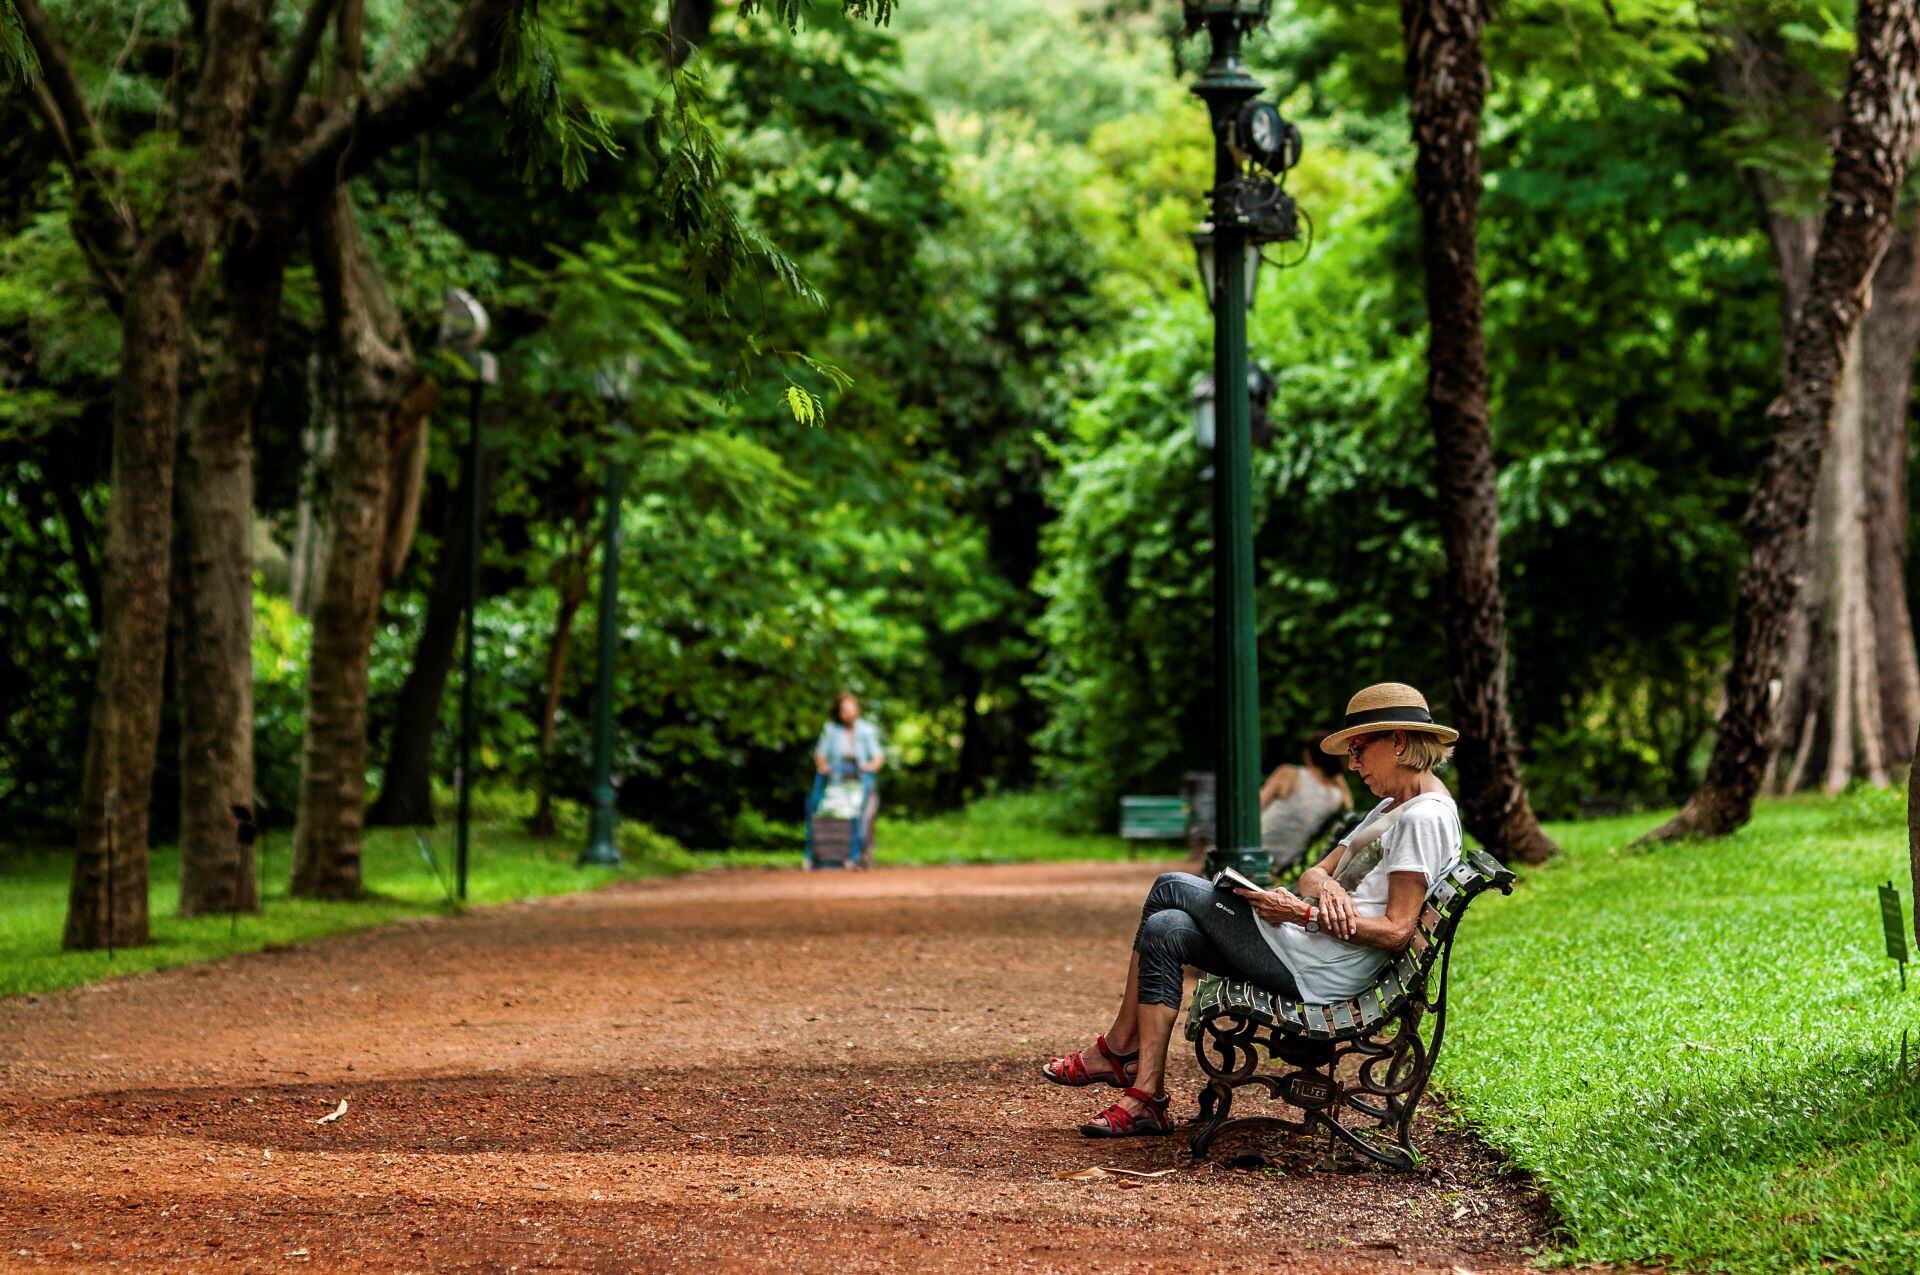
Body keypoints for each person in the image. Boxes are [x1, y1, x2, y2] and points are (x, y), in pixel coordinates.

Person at [1040, 682, 1463, 1138]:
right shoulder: (1392, 806)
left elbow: (1398, 930)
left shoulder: (1424, 818)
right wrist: (1326, 891)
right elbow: (1314, 874)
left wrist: (1306, 915)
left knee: (1171, 887)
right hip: (1305, 948)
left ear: (1398, 742)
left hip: (1319, 967)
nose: (1352, 763)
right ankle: (1147, 1097)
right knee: (1165, 928)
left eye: (1359, 748)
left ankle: (1119, 1048)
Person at [814, 692, 884, 862]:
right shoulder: (831, 730)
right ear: (839, 713)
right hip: (838, 782)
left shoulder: (866, 730)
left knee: (866, 816)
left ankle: (865, 855)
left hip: (862, 781)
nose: (849, 713)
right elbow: (820, 754)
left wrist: (869, 766)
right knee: (836, 814)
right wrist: (823, 766)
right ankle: (836, 855)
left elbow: (878, 757)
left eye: (851, 708)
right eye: (844, 710)